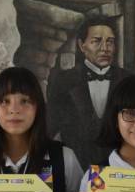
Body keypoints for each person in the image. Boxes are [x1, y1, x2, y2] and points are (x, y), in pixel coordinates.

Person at [47, 16, 130, 168]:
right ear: (82, 45)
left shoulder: (128, 80)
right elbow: (52, 125)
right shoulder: (63, 80)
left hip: (118, 169)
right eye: (96, 41)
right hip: (75, 166)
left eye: (110, 42)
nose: (105, 48)